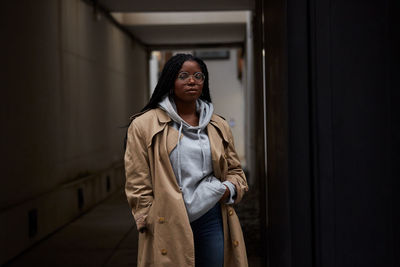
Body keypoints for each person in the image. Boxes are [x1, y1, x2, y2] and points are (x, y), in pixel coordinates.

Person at [124, 53, 248, 267]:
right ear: (170, 81)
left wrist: (228, 189)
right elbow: (137, 179)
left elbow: (235, 171)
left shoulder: (218, 125)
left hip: (211, 216)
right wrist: (148, 216)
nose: (192, 81)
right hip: (168, 219)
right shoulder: (144, 125)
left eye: (198, 76)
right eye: (183, 76)